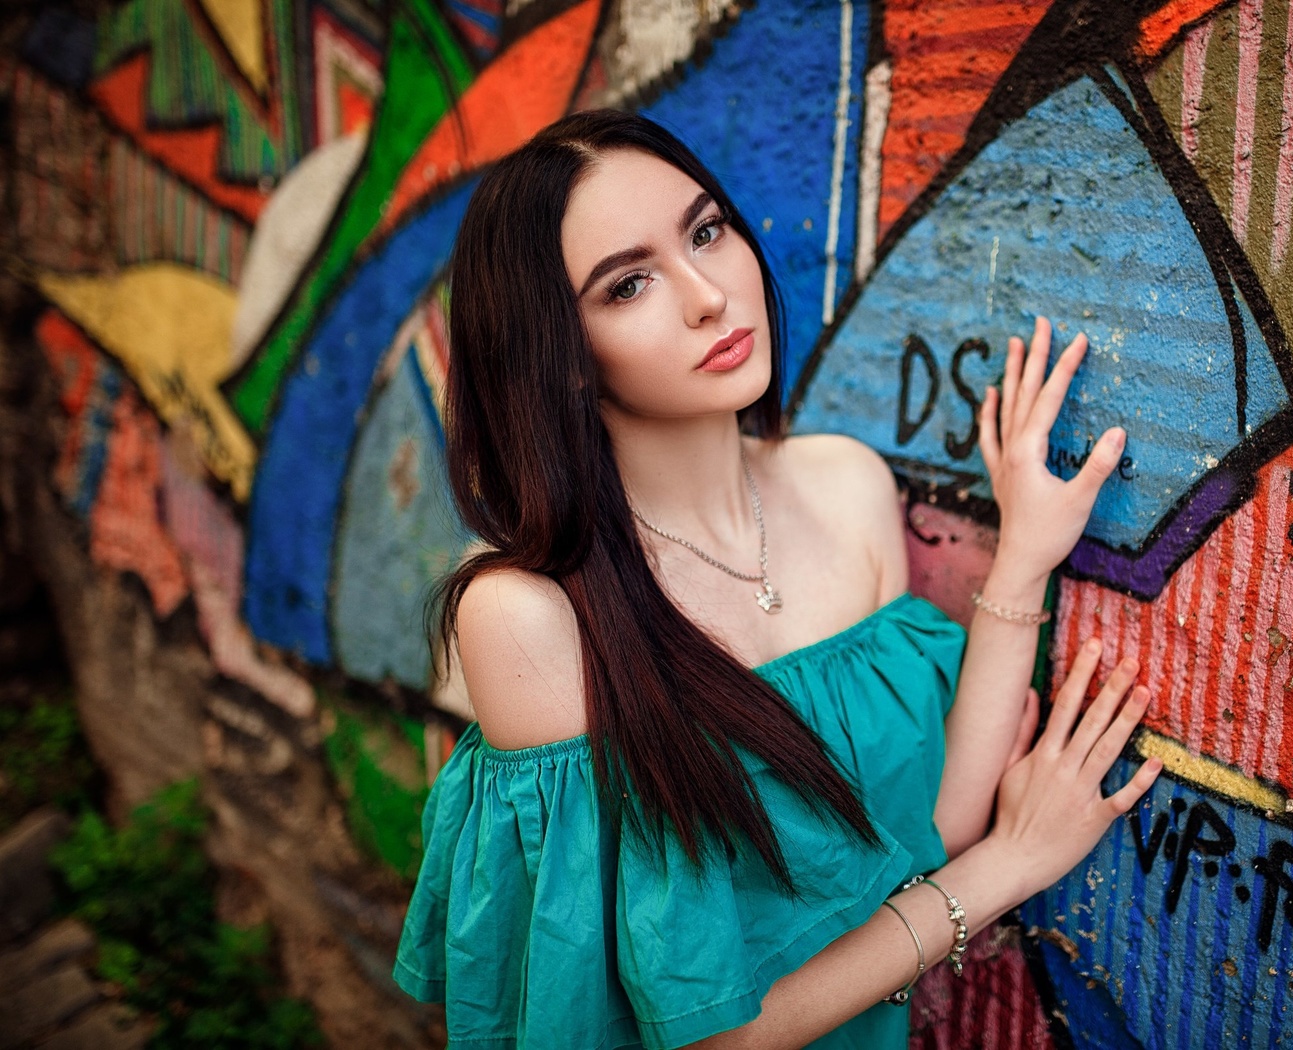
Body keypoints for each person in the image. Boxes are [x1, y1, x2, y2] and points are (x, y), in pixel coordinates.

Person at [393, 110, 1162, 1049]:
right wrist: (1012, 866)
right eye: (629, 284)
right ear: (560, 358)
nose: (710, 295)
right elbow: (714, 1035)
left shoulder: (844, 483)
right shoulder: (529, 614)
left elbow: (930, 823)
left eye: (706, 232)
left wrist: (1028, 556)